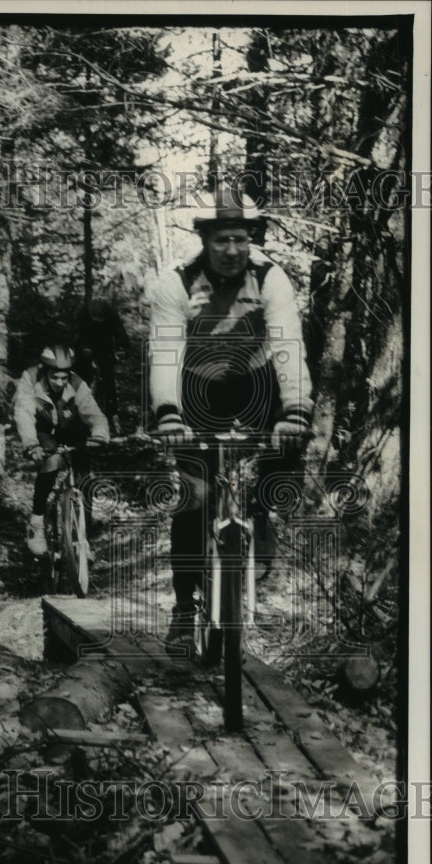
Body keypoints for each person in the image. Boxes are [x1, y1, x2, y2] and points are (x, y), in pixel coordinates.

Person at [149, 184, 314, 653]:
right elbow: (165, 352)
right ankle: (185, 607)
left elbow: (288, 345)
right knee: (194, 498)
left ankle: (259, 508)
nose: (232, 249)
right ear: (204, 239)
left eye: (240, 238)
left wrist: (295, 411)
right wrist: (168, 414)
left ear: (251, 238)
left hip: (255, 382)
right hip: (197, 387)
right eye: (221, 239)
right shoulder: (177, 282)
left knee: (287, 444)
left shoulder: (271, 278)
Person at [14, 344, 110, 555]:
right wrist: (31, 443)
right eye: (54, 377)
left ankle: (83, 540)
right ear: (45, 371)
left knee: (85, 480)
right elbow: (23, 413)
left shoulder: (77, 384)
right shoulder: (31, 378)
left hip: (73, 431)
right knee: (52, 462)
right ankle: (37, 522)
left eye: (63, 378)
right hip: (44, 431)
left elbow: (94, 414)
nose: (59, 382)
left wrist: (100, 433)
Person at [71, 298, 131, 435]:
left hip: (105, 344)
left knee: (108, 379)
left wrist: (122, 348)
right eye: (95, 317)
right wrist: (81, 348)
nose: (98, 319)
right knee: (83, 378)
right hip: (87, 343)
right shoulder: (82, 313)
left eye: (100, 317)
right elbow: (75, 334)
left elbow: (120, 332)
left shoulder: (111, 314)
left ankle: (112, 414)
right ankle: (79, 411)